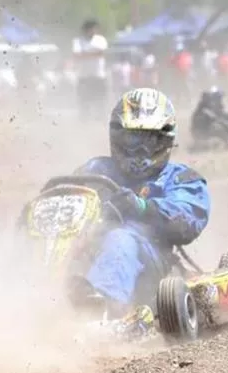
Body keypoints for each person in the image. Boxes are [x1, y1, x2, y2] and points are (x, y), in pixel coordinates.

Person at [68, 88, 210, 336]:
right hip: (88, 248)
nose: (140, 151)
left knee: (121, 237)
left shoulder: (180, 178)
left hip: (151, 261)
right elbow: (67, 199)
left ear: (165, 141)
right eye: (132, 141)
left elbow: (188, 220)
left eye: (150, 141)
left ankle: (101, 309)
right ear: (117, 138)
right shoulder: (95, 169)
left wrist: (143, 207)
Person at [71, 19, 109, 120]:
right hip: (84, 76)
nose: (93, 31)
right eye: (91, 29)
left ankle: (100, 121)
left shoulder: (100, 39)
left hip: (98, 76)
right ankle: (85, 122)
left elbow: (101, 53)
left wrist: (85, 54)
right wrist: (93, 54)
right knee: (83, 102)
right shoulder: (78, 41)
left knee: (100, 101)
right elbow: (76, 55)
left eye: (94, 28)